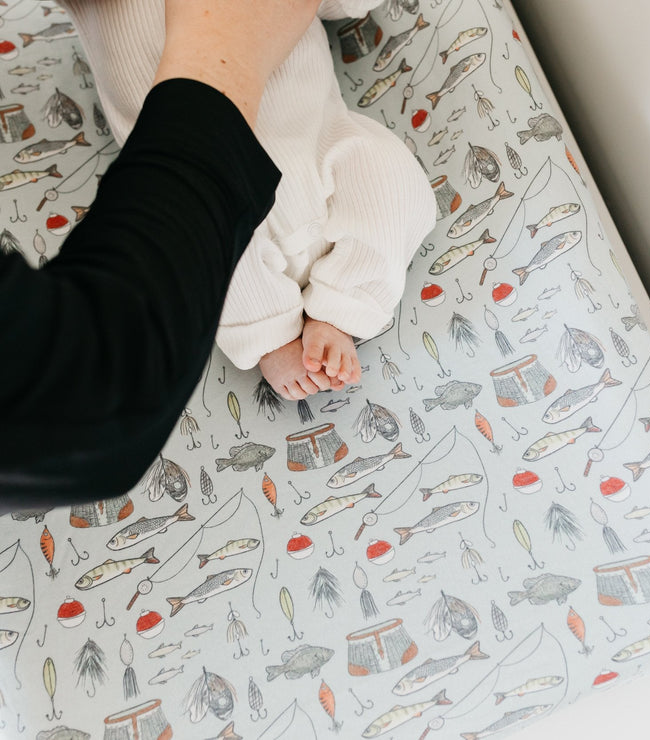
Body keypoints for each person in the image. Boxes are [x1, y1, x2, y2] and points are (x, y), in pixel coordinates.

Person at [0, 1, 324, 510]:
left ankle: (337, 303)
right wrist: (224, 62)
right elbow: (77, 399)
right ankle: (277, 327)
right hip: (204, 132)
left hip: (300, 122)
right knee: (222, 274)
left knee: (386, 183)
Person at [58, 0, 436, 402]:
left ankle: (344, 303)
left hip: (321, 143)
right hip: (202, 182)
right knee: (195, 245)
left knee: (391, 177)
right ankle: (267, 332)